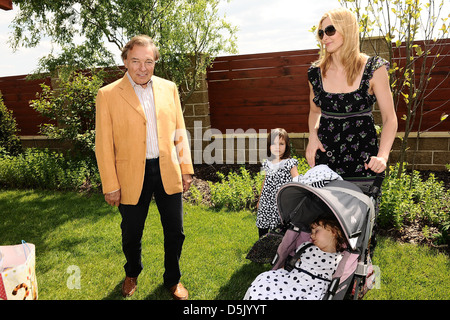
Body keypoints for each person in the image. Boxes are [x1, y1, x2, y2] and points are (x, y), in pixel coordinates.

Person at [95, 35, 194, 300]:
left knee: (176, 231)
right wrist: (111, 185)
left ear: (155, 63)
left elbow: (179, 131)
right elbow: (103, 145)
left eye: (148, 61)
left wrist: (186, 168)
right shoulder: (108, 95)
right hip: (129, 176)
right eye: (136, 60)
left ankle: (173, 279)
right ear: (125, 61)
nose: (142, 67)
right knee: (131, 233)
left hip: (167, 170)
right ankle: (132, 273)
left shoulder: (169, 88)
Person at [306, 7, 398, 192]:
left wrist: (382, 157)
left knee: (359, 219)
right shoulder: (316, 73)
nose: (325, 37)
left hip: (364, 164)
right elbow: (315, 111)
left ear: (347, 30)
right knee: (323, 220)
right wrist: (313, 138)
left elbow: (390, 119)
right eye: (321, 32)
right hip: (326, 163)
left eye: (330, 30)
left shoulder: (374, 69)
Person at [243, 218, 347, 300]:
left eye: (317, 231)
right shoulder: (307, 246)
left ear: (334, 231)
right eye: (311, 231)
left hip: (312, 289)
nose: (312, 235)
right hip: (293, 278)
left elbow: (337, 278)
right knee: (263, 282)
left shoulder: (339, 259)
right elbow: (293, 262)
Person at [256, 128, 299, 238]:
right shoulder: (267, 163)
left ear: (286, 145)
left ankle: (279, 247)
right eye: (274, 144)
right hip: (266, 200)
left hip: (281, 201)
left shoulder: (290, 163)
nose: (277, 147)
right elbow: (265, 181)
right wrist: (260, 199)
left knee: (279, 226)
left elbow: (297, 181)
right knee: (263, 224)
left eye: (281, 144)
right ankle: (262, 246)